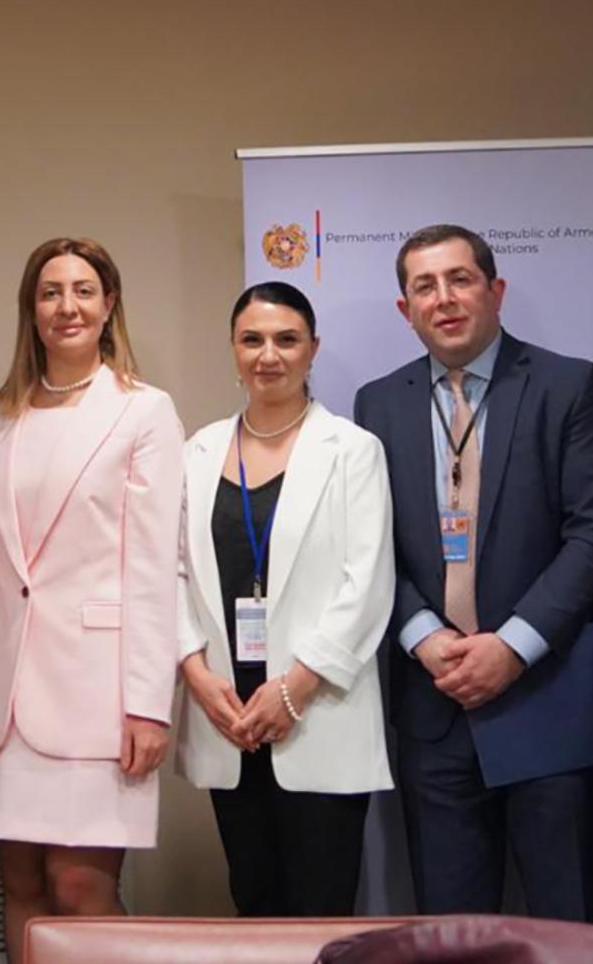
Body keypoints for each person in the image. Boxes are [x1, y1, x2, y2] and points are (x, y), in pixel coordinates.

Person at [352, 223, 593, 921]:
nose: (443, 299)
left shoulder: (568, 385)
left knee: (567, 927)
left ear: (495, 290)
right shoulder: (378, 404)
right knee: (451, 931)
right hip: (434, 704)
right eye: (424, 286)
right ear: (405, 309)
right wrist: (420, 635)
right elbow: (365, 543)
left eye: (460, 280)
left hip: (548, 698)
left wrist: (514, 646)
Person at [0, 237, 184, 961]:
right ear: (31, 310)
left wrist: (150, 704)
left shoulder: (143, 411)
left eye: (84, 291)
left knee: (80, 888)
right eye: (51, 292)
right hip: (8, 693)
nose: (68, 307)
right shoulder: (4, 414)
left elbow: (153, 565)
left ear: (109, 304)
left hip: (99, 693)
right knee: (21, 885)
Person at [176, 281, 396, 916]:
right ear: (233, 349)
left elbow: (367, 583)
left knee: (319, 911)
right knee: (253, 904)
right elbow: (172, 573)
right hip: (229, 713)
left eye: (286, 340)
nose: (268, 355)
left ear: (313, 349)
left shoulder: (352, 450)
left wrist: (296, 688)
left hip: (316, 709)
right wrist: (195, 673)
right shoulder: (198, 451)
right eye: (252, 340)